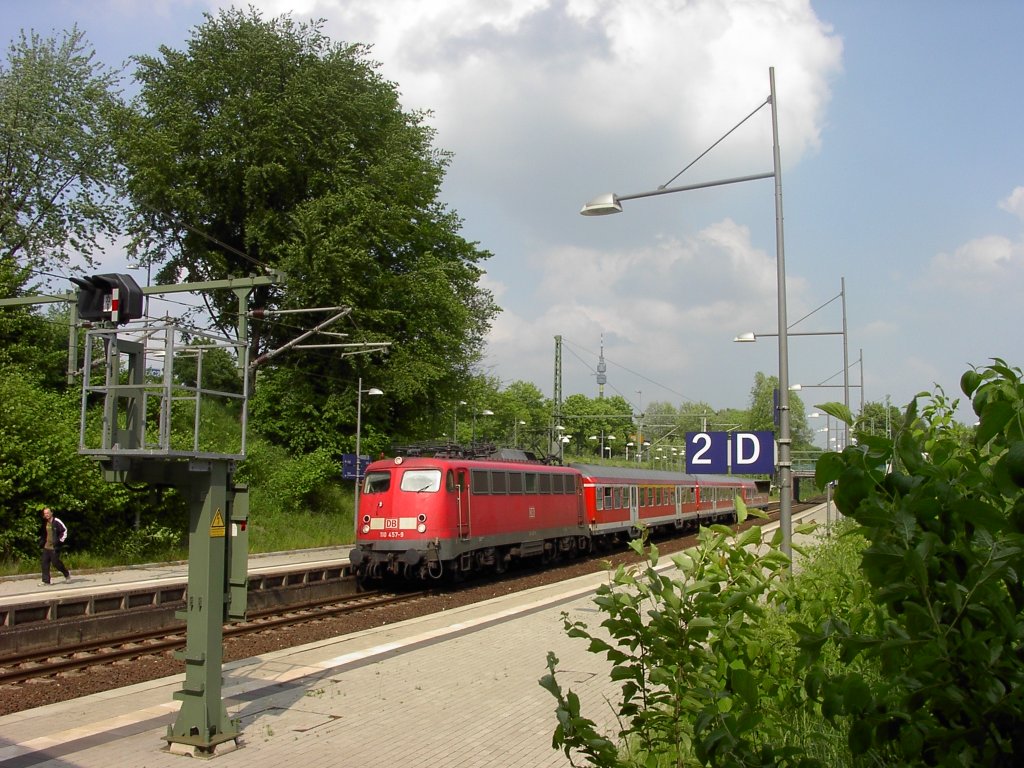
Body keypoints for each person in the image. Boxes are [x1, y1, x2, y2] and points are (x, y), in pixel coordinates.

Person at [39, 507, 71, 586]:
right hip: (46, 546)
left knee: (55, 563)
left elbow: (64, 530)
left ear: (51, 513)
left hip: (55, 547)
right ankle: (46, 581)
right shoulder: (44, 522)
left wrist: (60, 541)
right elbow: (43, 533)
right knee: (44, 563)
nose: (46, 515)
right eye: (45, 513)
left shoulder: (57, 521)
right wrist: (41, 541)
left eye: (47, 513)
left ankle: (66, 574)